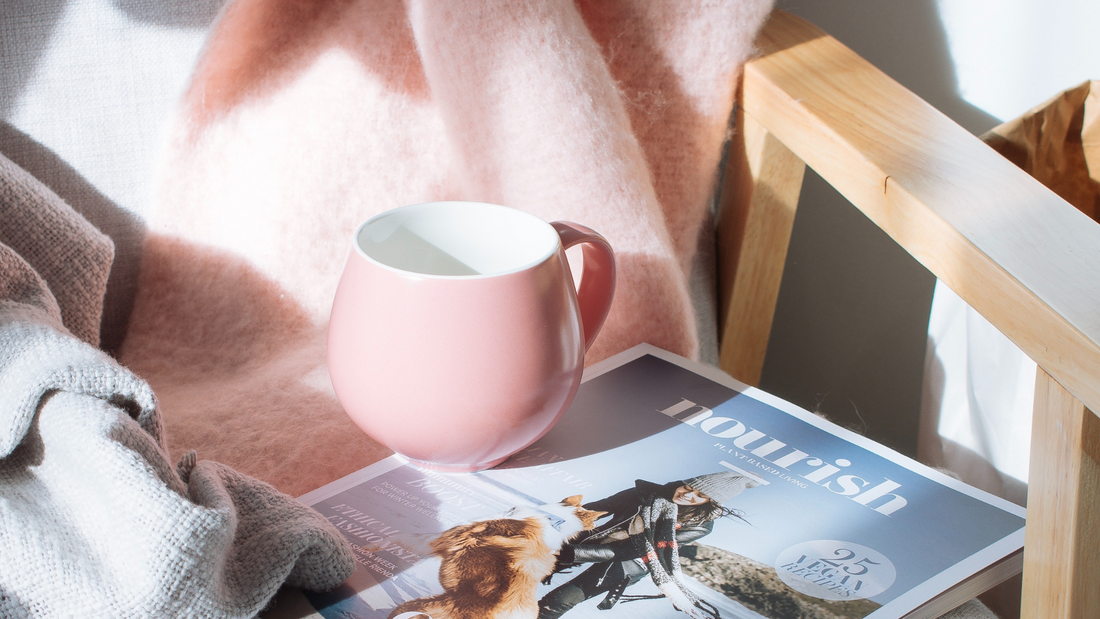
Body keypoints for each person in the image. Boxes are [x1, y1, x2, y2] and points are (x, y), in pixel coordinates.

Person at [537, 470, 758, 619]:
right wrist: (556, 520)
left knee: (559, 601)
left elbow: (631, 549)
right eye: (688, 487)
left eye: (699, 495)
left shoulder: (698, 526)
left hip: (631, 562)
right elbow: (600, 507)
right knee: (520, 569)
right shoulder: (645, 494)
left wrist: (571, 553)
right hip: (597, 539)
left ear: (709, 503)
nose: (687, 495)